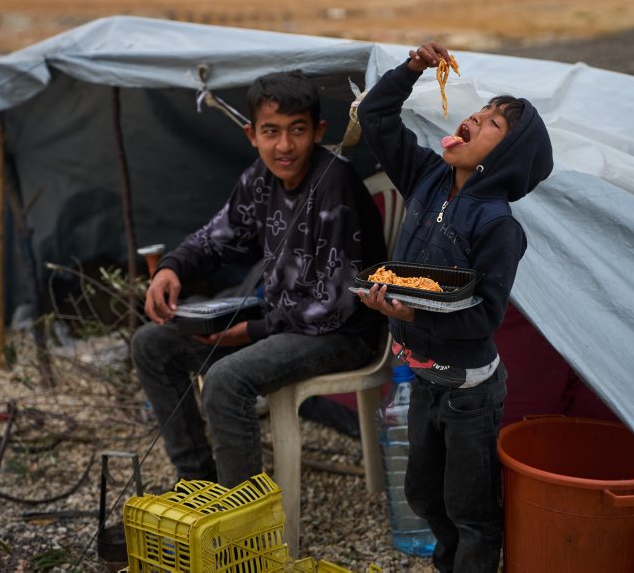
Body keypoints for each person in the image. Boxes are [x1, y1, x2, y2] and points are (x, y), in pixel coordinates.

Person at [132, 70, 387, 489]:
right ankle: (195, 482)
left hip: (342, 334)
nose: (283, 146)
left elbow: (336, 304)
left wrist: (252, 331)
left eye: (297, 131)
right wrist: (171, 268)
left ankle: (241, 521)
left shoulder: (335, 184)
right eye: (271, 132)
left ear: (318, 130)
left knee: (226, 380)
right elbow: (219, 237)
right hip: (282, 322)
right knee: (151, 344)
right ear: (252, 134)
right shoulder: (260, 179)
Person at [355, 41, 553, 571]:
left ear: (506, 157)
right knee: (424, 496)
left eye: (491, 124)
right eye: (479, 111)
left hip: (470, 393)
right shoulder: (427, 176)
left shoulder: (497, 226)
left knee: (473, 513)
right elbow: (375, 116)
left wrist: (411, 314)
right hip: (423, 380)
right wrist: (413, 68)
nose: (474, 118)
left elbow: (485, 317)